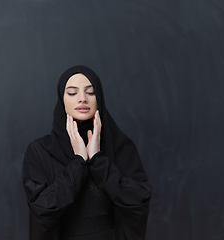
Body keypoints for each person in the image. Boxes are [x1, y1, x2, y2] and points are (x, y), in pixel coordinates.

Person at [22, 65, 152, 240]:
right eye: (72, 93)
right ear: (62, 99)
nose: (82, 99)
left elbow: (138, 200)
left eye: (90, 92)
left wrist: (98, 160)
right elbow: (42, 209)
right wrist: (79, 162)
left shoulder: (121, 147)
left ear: (99, 98)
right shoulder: (39, 151)